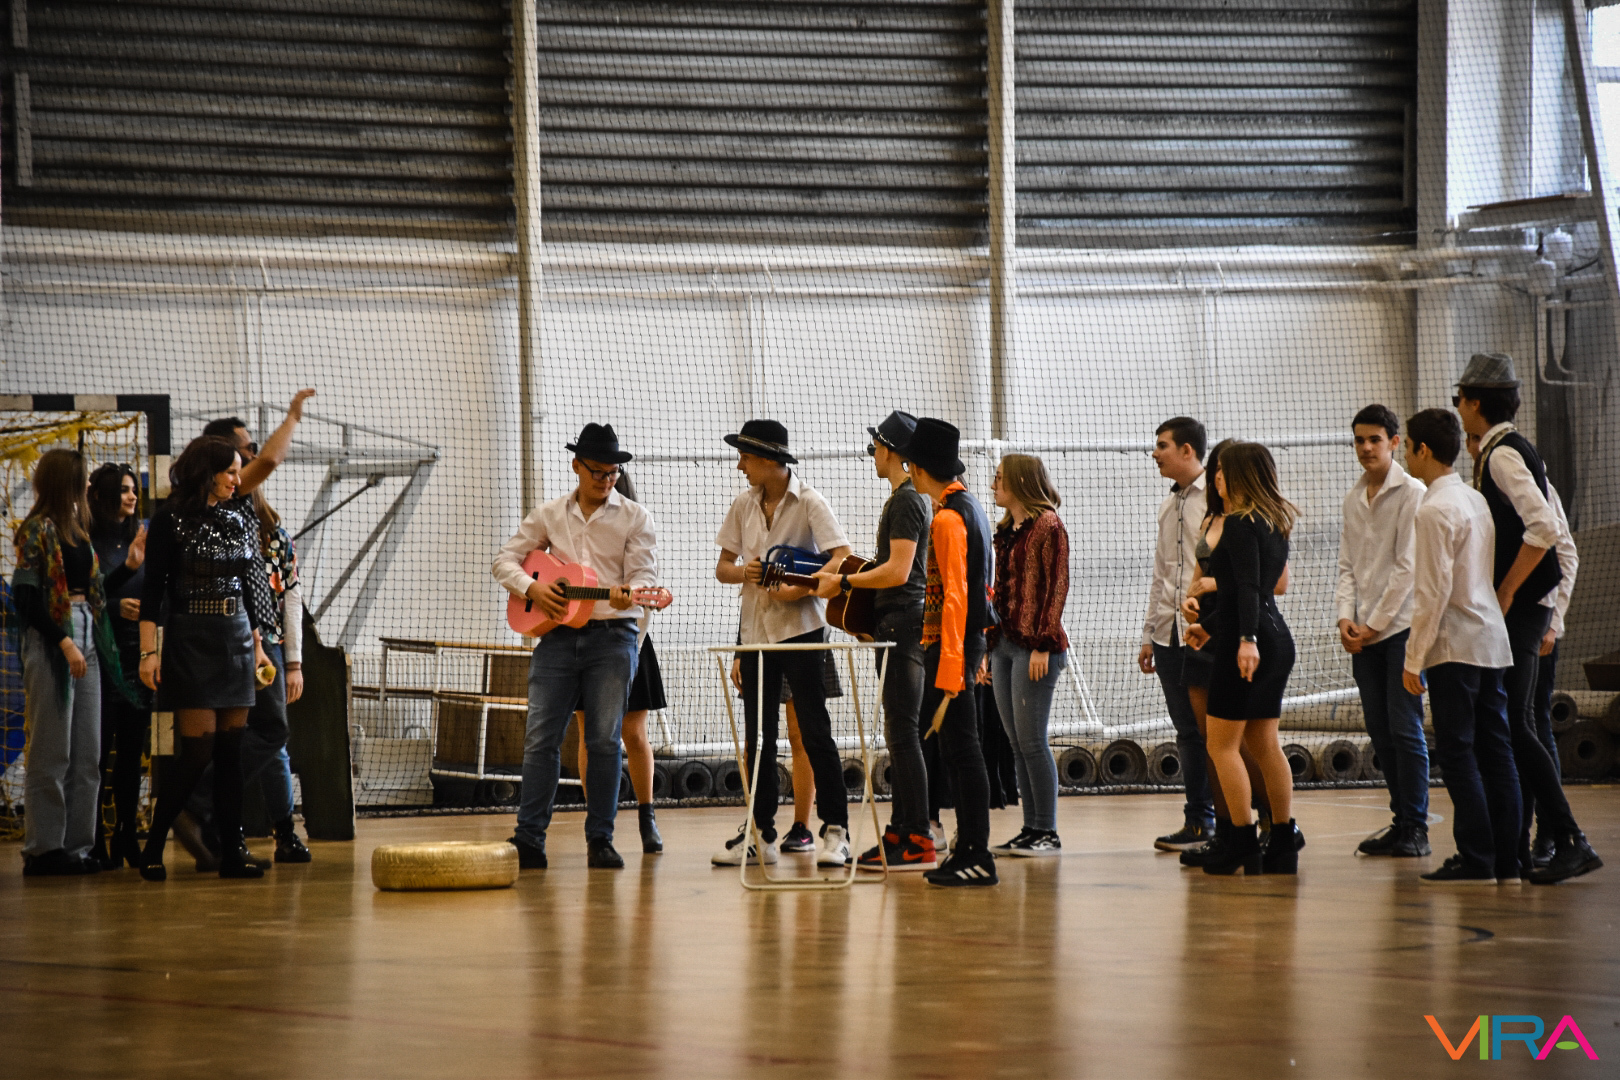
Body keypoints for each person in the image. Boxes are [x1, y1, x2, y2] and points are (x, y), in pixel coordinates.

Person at [1454, 353, 1601, 884]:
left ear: (1475, 403)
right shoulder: (1504, 451)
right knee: (1518, 723)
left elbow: (1546, 529)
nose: (1458, 408)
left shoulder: (1502, 457)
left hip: (1523, 612)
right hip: (1525, 611)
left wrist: (1508, 590)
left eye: (1459, 400)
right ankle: (1532, 841)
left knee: (1518, 723)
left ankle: (1568, 837)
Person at [493, 424, 658, 870]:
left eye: (612, 473)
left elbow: (644, 578)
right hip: (556, 637)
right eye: (597, 472)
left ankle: (600, 839)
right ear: (576, 467)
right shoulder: (549, 514)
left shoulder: (635, 517)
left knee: (604, 740)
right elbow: (504, 560)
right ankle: (529, 838)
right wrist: (533, 589)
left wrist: (630, 594)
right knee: (540, 738)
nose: (606, 480)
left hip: (613, 637)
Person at [712, 419, 853, 867]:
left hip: (803, 631)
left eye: (745, 458)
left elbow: (842, 557)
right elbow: (723, 568)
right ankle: (761, 833)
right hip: (756, 635)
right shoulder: (743, 505)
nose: (740, 467)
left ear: (769, 460)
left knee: (814, 731)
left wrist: (802, 588)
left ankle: (836, 831)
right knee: (759, 737)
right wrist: (745, 572)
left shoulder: (810, 501)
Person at [134, 436, 275, 881]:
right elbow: (153, 591)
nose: (238, 478)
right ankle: (154, 846)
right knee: (197, 751)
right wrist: (148, 653)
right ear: (207, 473)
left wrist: (258, 645)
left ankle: (233, 851)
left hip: (236, 637)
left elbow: (249, 588)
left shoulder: (239, 515)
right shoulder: (169, 518)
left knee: (232, 752)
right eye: (230, 471)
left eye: (238, 471)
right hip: (191, 637)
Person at [812, 410, 935, 871]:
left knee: (903, 732)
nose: (873, 455)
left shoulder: (906, 501)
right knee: (899, 731)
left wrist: (844, 583)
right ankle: (901, 830)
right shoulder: (905, 499)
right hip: (895, 623)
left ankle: (917, 836)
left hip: (903, 624)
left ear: (892, 452)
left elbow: (898, 572)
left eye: (876, 447)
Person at [1401, 409, 1519, 885]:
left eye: (1407, 445)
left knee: (1458, 753)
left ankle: (1477, 856)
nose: (1405, 454)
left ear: (1423, 450)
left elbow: (1433, 593)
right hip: (1490, 639)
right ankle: (1509, 859)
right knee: (1497, 751)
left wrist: (1413, 659)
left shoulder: (1433, 509)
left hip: (1455, 646)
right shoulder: (1474, 498)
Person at [1464, 432, 1581, 871]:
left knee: (1533, 725)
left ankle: (1553, 833)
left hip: (1536, 622)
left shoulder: (1524, 476)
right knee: (1518, 726)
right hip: (1509, 623)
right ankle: (1520, 836)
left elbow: (1564, 552)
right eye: (1470, 441)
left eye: (1478, 438)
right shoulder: (1484, 487)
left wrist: (1554, 622)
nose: (1474, 446)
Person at [1184, 443, 1300, 876]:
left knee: (1221, 745)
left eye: (1224, 471)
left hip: (1250, 643)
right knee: (1265, 743)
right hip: (1275, 639)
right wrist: (1210, 627)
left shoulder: (1238, 522)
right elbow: (1242, 591)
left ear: (1242, 476)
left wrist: (1245, 640)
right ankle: (1283, 841)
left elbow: (1250, 589)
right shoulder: (1275, 519)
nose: (1217, 478)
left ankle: (1241, 841)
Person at [899, 418, 1000, 887]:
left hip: (952, 645)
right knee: (961, 750)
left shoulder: (947, 518)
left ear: (919, 469)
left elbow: (957, 595)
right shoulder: (969, 506)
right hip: (961, 644)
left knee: (963, 751)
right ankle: (968, 848)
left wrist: (952, 666)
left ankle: (976, 852)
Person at [14, 450, 122, 875]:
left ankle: (78, 847)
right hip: (52, 638)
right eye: (83, 479)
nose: (88, 487)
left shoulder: (78, 531)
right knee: (51, 749)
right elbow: (26, 599)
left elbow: (92, 589)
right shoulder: (36, 530)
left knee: (87, 754)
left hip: (86, 630)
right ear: (68, 482)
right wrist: (63, 642)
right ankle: (44, 849)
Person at [1334, 405, 1431, 858]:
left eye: (1375, 439)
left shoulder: (1413, 493)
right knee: (1379, 728)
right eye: (1359, 440)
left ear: (1394, 442)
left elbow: (1408, 569)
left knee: (1405, 728)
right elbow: (1347, 567)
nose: (1366, 447)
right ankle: (1400, 820)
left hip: (1401, 630)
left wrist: (1373, 626)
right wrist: (1345, 619)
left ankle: (1417, 828)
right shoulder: (1353, 499)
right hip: (1364, 634)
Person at [575, 468, 666, 854]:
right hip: (582, 639)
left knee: (634, 733)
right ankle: (596, 820)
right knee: (589, 734)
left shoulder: (636, 528)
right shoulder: (574, 528)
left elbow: (647, 593)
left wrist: (632, 645)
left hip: (631, 641)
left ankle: (647, 816)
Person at [1139, 417, 1218, 852]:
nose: (1155, 453)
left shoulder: (1216, 502)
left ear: (1188, 450)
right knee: (1187, 731)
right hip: (1169, 636)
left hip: (1205, 633)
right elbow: (1161, 576)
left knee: (1216, 732)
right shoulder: (1169, 506)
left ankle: (1233, 820)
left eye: (1163, 445)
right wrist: (1149, 634)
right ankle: (1199, 820)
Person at [984, 454, 1068, 858]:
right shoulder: (1006, 530)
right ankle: (1031, 827)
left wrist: (1043, 644)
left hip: (1036, 647)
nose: (993, 484)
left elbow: (1057, 587)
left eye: (1000, 478)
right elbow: (999, 590)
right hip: (1003, 644)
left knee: (1033, 741)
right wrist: (987, 646)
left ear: (1019, 481)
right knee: (1016, 742)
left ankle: (1047, 831)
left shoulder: (1049, 525)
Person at [238, 488, 310, 864]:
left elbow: (292, 598)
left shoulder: (277, 539)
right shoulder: (220, 534)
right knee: (234, 736)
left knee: (273, 739)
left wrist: (294, 663)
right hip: (231, 645)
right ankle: (229, 829)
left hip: (267, 647)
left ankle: (284, 830)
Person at [87, 463, 150, 870]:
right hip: (100, 657)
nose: (132, 496)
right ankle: (94, 837)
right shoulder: (88, 540)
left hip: (137, 656)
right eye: (124, 489)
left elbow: (155, 590)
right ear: (104, 494)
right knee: (97, 753)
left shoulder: (139, 536)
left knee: (131, 753)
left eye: (134, 490)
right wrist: (113, 606)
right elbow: (83, 597)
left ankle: (127, 833)